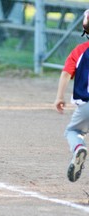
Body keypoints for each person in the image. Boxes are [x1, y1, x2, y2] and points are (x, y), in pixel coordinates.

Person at [54, 9, 89, 182]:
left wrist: (59, 97)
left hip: (86, 106)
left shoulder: (79, 51)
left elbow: (66, 73)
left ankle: (78, 148)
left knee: (73, 131)